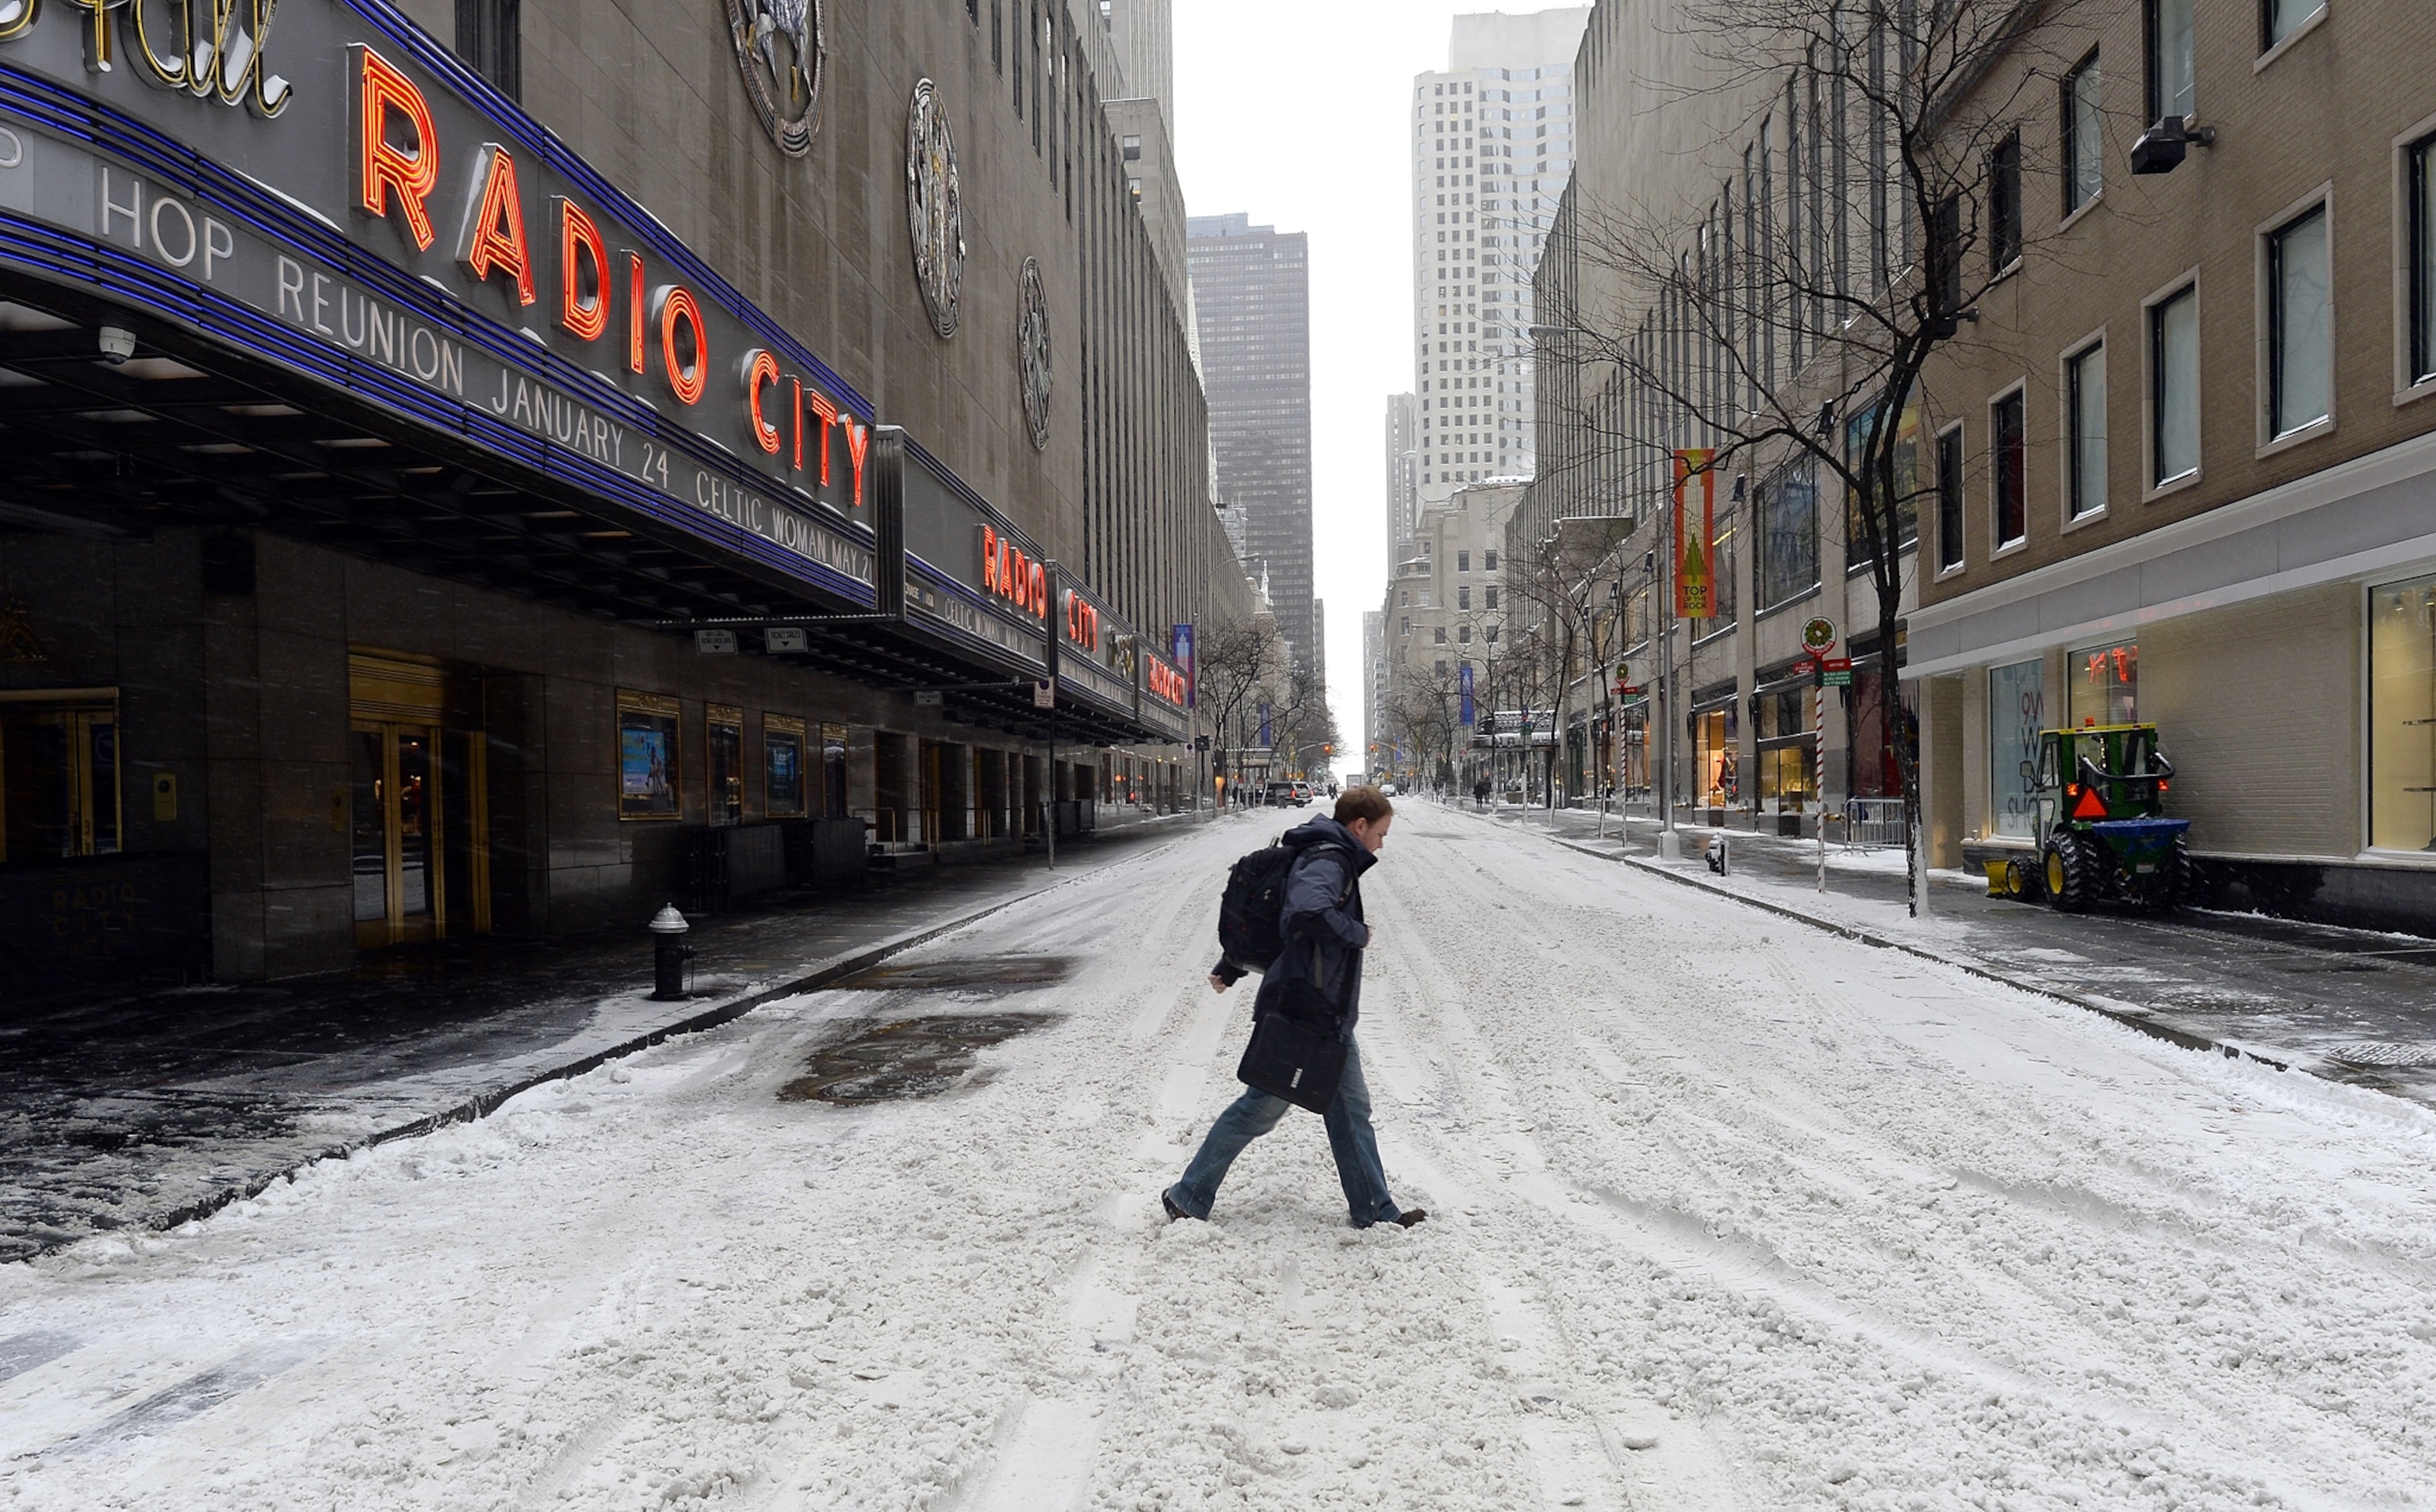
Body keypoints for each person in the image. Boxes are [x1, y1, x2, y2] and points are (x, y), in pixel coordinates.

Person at [1162, 787, 1424, 1230]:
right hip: (1309, 1006)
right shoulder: (1330, 859)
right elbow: (1306, 912)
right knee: (1260, 1107)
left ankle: (1375, 1212)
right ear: (1359, 826)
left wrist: (1232, 965)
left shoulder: (1320, 852)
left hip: (1321, 1006)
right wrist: (1358, 933)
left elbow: (1279, 919)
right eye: (1380, 833)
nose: (1381, 843)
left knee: (1348, 1110)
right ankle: (1187, 1195)